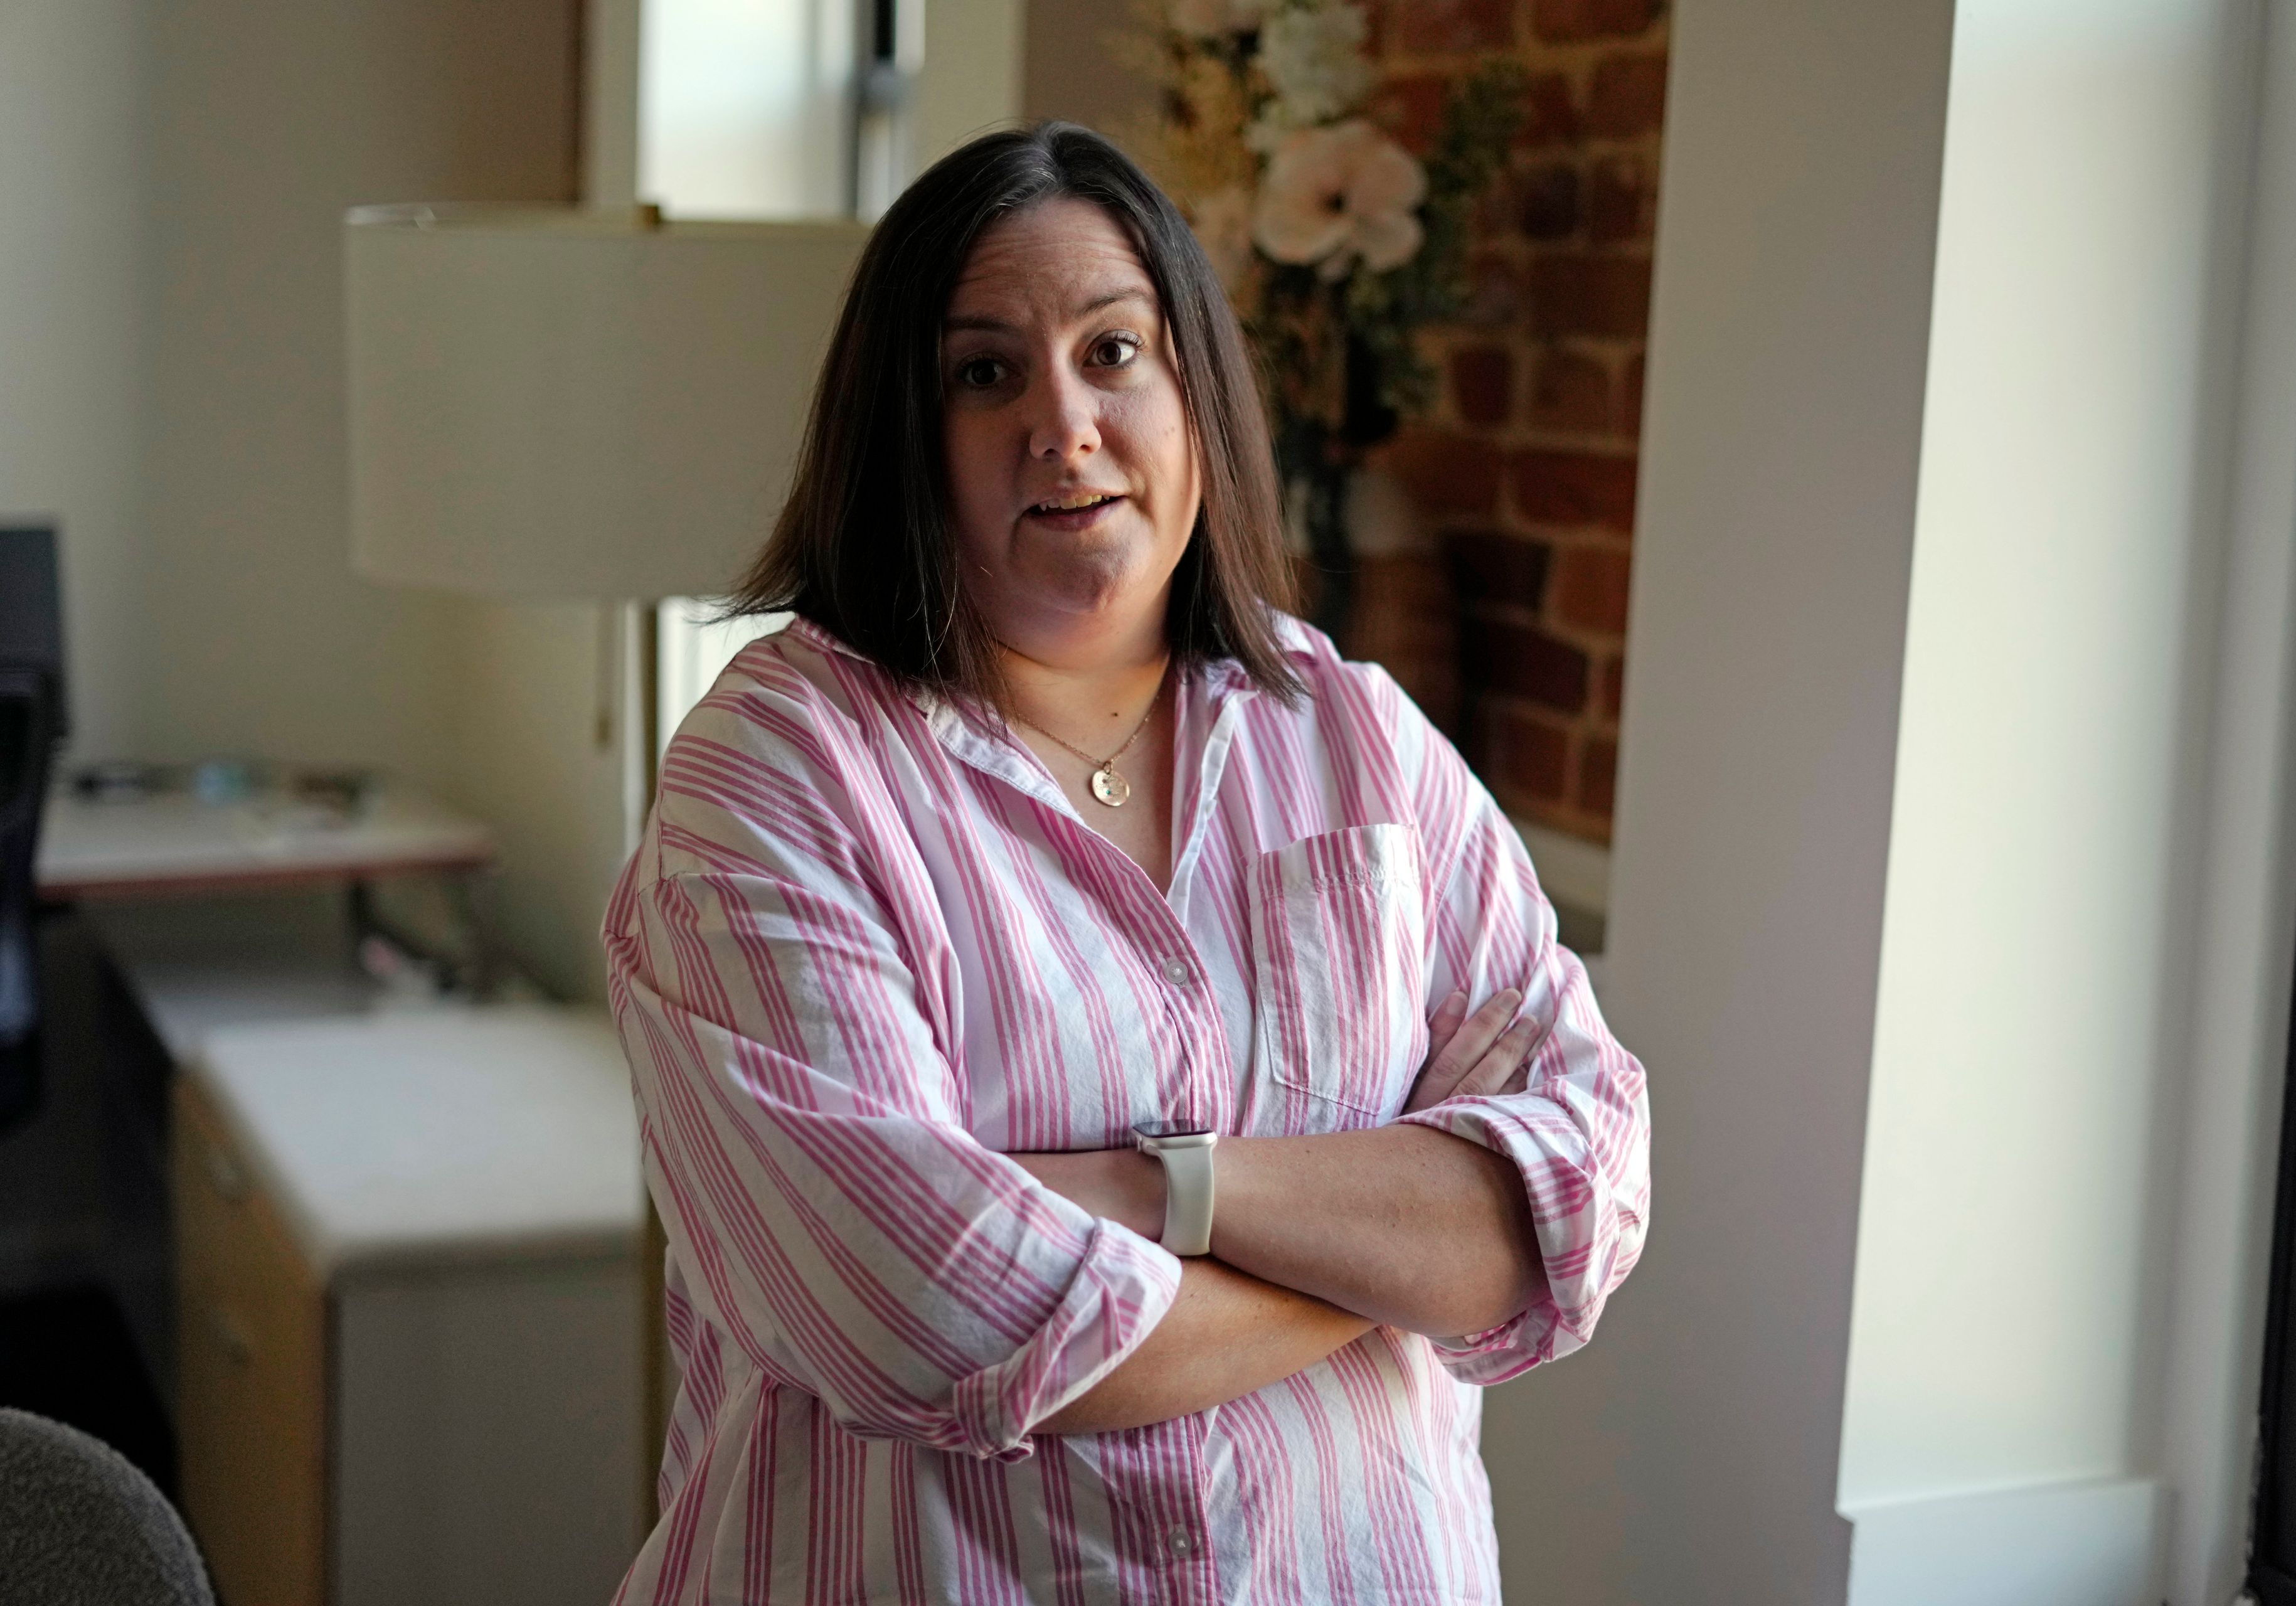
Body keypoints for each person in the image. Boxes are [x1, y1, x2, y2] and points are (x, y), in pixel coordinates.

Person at [602, 120, 1650, 1605]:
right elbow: (929, 1301)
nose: (1064, 423)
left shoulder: (1352, 733)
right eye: (986, 373)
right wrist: (1393, 1255)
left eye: (1114, 352)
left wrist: (1164, 1191)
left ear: (1195, 395)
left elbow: (1581, 1187)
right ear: (901, 432)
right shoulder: (777, 777)